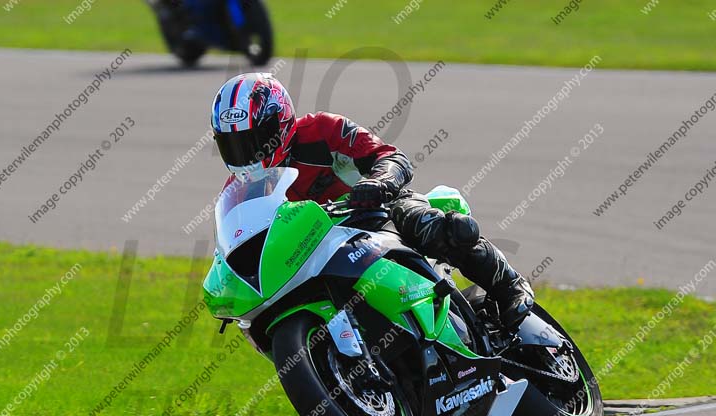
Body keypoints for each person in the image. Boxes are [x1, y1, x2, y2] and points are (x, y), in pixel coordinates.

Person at [210, 72, 534, 329]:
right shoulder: (242, 189)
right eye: (233, 145)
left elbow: (391, 157)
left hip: (376, 216)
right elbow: (239, 241)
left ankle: (509, 286)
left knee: (422, 220)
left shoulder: (322, 130)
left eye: (253, 141)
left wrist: (379, 182)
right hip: (316, 254)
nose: (247, 155)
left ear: (279, 125)